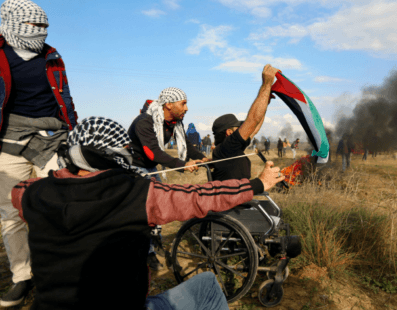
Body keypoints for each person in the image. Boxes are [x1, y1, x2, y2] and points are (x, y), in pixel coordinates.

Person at [11, 116, 284, 310]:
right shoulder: (139, 193)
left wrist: (61, 177)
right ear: (114, 154)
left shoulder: (33, 195)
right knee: (208, 286)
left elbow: (18, 191)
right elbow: (199, 197)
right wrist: (257, 184)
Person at [0, 0, 78, 307]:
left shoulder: (52, 56)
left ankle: (63, 270)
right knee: (10, 214)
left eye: (44, 26)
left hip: (51, 138)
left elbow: (66, 97)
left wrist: (71, 132)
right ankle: (23, 276)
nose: (40, 32)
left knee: (62, 205)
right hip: (9, 142)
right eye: (34, 26)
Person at [128, 87, 207, 270]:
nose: (186, 108)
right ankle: (147, 253)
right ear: (169, 105)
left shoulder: (174, 122)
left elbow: (186, 145)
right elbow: (152, 152)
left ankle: (156, 241)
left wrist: (202, 157)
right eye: (183, 103)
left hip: (149, 167)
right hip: (134, 167)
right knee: (144, 211)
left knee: (159, 204)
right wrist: (181, 165)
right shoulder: (144, 121)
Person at [211, 64, 280, 181]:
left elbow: (255, 127)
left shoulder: (232, 148)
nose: (242, 129)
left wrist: (265, 100)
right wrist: (266, 84)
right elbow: (253, 120)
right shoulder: (226, 148)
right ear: (229, 132)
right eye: (238, 127)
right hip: (232, 198)